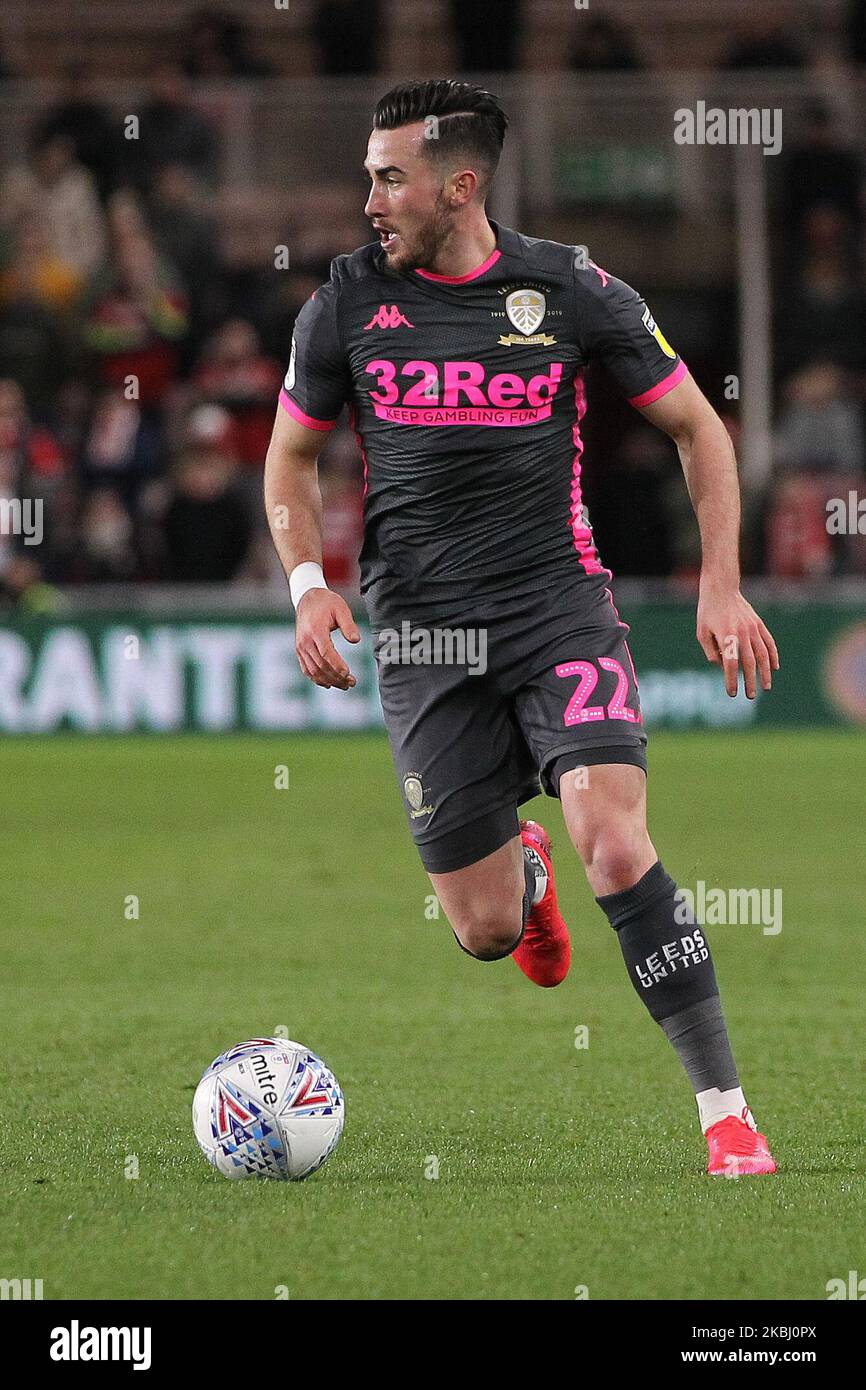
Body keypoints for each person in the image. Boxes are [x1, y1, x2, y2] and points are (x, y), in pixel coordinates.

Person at [264, 80, 781, 1177]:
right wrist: (310, 581)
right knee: (485, 929)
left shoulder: (569, 288)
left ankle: (724, 1111)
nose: (368, 200)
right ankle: (521, 873)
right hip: (419, 636)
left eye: (388, 177)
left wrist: (721, 580)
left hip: (558, 609)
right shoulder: (343, 306)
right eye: (367, 176)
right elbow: (290, 460)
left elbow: (698, 428)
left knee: (615, 836)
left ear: (459, 185)